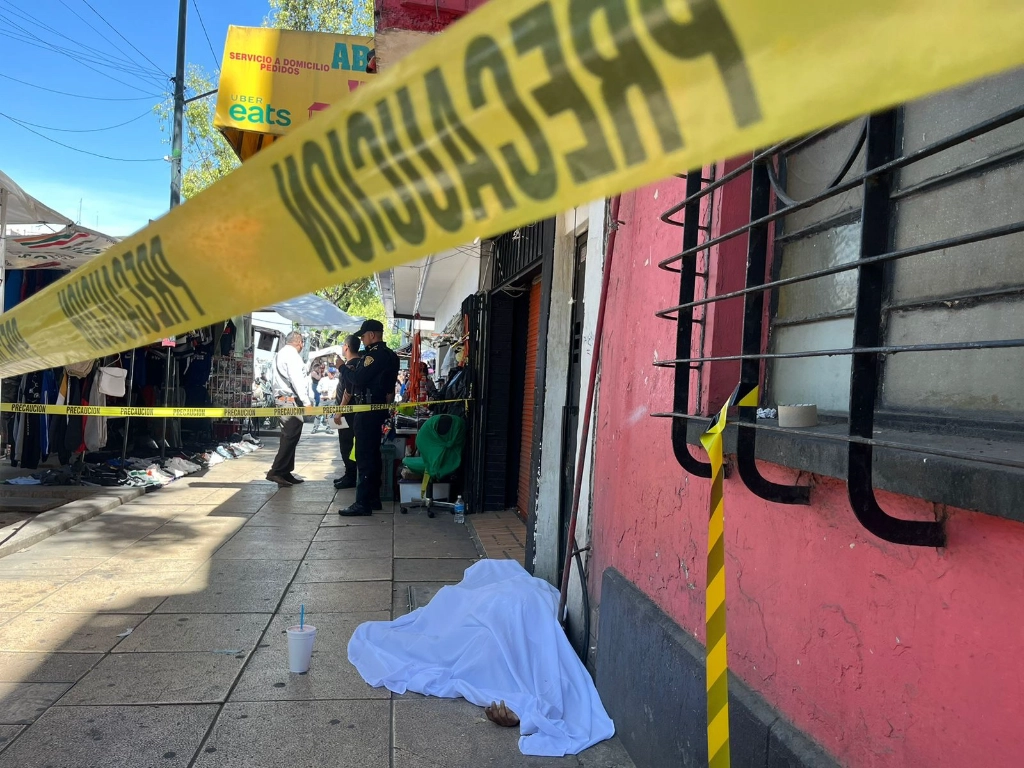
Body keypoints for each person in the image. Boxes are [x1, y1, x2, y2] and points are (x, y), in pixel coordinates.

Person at [339, 319, 399, 516]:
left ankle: (363, 502)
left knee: (365, 456)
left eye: (363, 336)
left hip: (366, 410)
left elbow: (357, 379)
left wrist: (342, 368)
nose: (362, 340)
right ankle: (373, 499)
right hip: (379, 408)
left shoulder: (373, 356)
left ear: (372, 335)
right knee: (373, 454)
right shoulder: (391, 355)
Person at [267, 330, 310, 487]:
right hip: (288, 400)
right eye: (302, 344)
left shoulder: (280, 354)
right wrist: (307, 402)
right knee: (290, 436)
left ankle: (285, 471)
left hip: (283, 399)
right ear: (299, 343)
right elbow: (297, 379)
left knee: (291, 435)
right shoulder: (292, 356)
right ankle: (276, 471)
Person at [332, 335, 361, 489]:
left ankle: (351, 476)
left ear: (347, 347)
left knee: (346, 445)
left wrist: (340, 411)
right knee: (348, 444)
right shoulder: (359, 364)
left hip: (348, 413)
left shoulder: (349, 366)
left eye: (344, 345)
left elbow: (348, 392)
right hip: (352, 412)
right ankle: (349, 473)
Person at [312, 367, 340, 433]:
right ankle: (315, 428)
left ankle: (329, 428)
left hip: (332, 400)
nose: (332, 375)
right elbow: (318, 388)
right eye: (331, 373)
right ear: (328, 373)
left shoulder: (337, 381)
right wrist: (322, 390)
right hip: (323, 399)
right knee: (318, 414)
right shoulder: (323, 380)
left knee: (330, 415)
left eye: (334, 373)